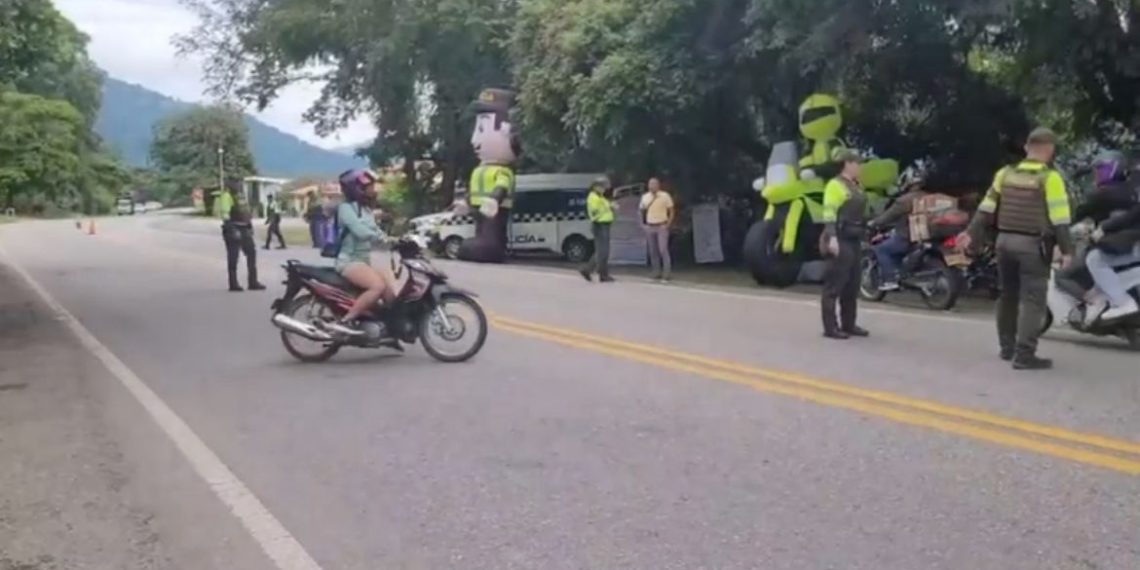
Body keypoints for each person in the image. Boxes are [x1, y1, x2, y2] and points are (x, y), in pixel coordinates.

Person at [959, 127, 1074, 370]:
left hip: (1004, 242)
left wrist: (970, 234)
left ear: (1026, 148)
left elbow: (985, 209)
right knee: (1033, 300)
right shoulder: (1050, 178)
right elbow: (1060, 220)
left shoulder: (1005, 174)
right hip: (1033, 246)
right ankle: (1025, 354)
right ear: (1050, 150)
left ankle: (1007, 348)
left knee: (1007, 295)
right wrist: (1067, 251)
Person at [322, 169, 395, 337]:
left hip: (363, 261)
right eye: (369, 187)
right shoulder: (345, 209)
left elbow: (377, 231)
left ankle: (387, 327)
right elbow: (360, 231)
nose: (373, 190)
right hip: (349, 262)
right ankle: (345, 321)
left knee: (390, 291)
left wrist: (393, 240)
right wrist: (379, 237)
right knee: (377, 286)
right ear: (357, 189)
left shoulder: (366, 210)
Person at [1075, 150, 1140, 321]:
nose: (1097, 175)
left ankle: (1121, 301)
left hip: (1132, 244)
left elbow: (1077, 214)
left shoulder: (1104, 193)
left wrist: (1104, 228)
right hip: (1131, 244)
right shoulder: (1131, 189)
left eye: (1101, 170)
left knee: (1094, 259)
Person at [820, 149, 871, 339]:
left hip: (855, 237)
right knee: (835, 284)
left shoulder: (857, 185)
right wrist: (831, 237)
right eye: (857, 163)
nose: (860, 167)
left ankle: (849, 324)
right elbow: (829, 213)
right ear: (847, 164)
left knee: (853, 283)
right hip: (840, 237)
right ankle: (830, 327)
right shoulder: (835, 185)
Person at [868, 174, 927, 291]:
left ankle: (890, 280)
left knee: (881, 249)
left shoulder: (904, 201)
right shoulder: (930, 197)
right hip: (927, 236)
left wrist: (873, 223)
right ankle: (902, 273)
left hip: (908, 237)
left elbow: (887, 217)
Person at [217, 179, 265, 292]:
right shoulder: (227, 196)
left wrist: (250, 225)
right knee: (233, 257)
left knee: (251, 253)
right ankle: (233, 284)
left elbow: (246, 212)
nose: (239, 185)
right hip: (233, 228)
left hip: (244, 228)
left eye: (239, 183)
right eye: (236, 182)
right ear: (230, 184)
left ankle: (253, 282)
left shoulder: (241, 196)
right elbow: (225, 215)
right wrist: (232, 229)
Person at [580, 177, 616, 283]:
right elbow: (596, 211)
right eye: (602, 187)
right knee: (603, 251)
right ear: (596, 187)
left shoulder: (600, 197)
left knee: (602, 251)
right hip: (599, 224)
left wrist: (611, 206)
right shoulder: (593, 197)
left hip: (604, 224)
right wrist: (609, 207)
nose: (604, 189)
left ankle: (593, 271)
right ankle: (600, 273)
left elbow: (605, 206)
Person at [639, 177, 675, 282]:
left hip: (661, 225)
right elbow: (641, 211)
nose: (652, 186)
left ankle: (666, 274)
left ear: (658, 185)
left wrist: (668, 224)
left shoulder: (665, 196)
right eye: (650, 184)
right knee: (653, 250)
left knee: (663, 249)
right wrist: (643, 224)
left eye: (654, 184)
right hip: (650, 226)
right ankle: (656, 272)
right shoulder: (645, 197)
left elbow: (671, 210)